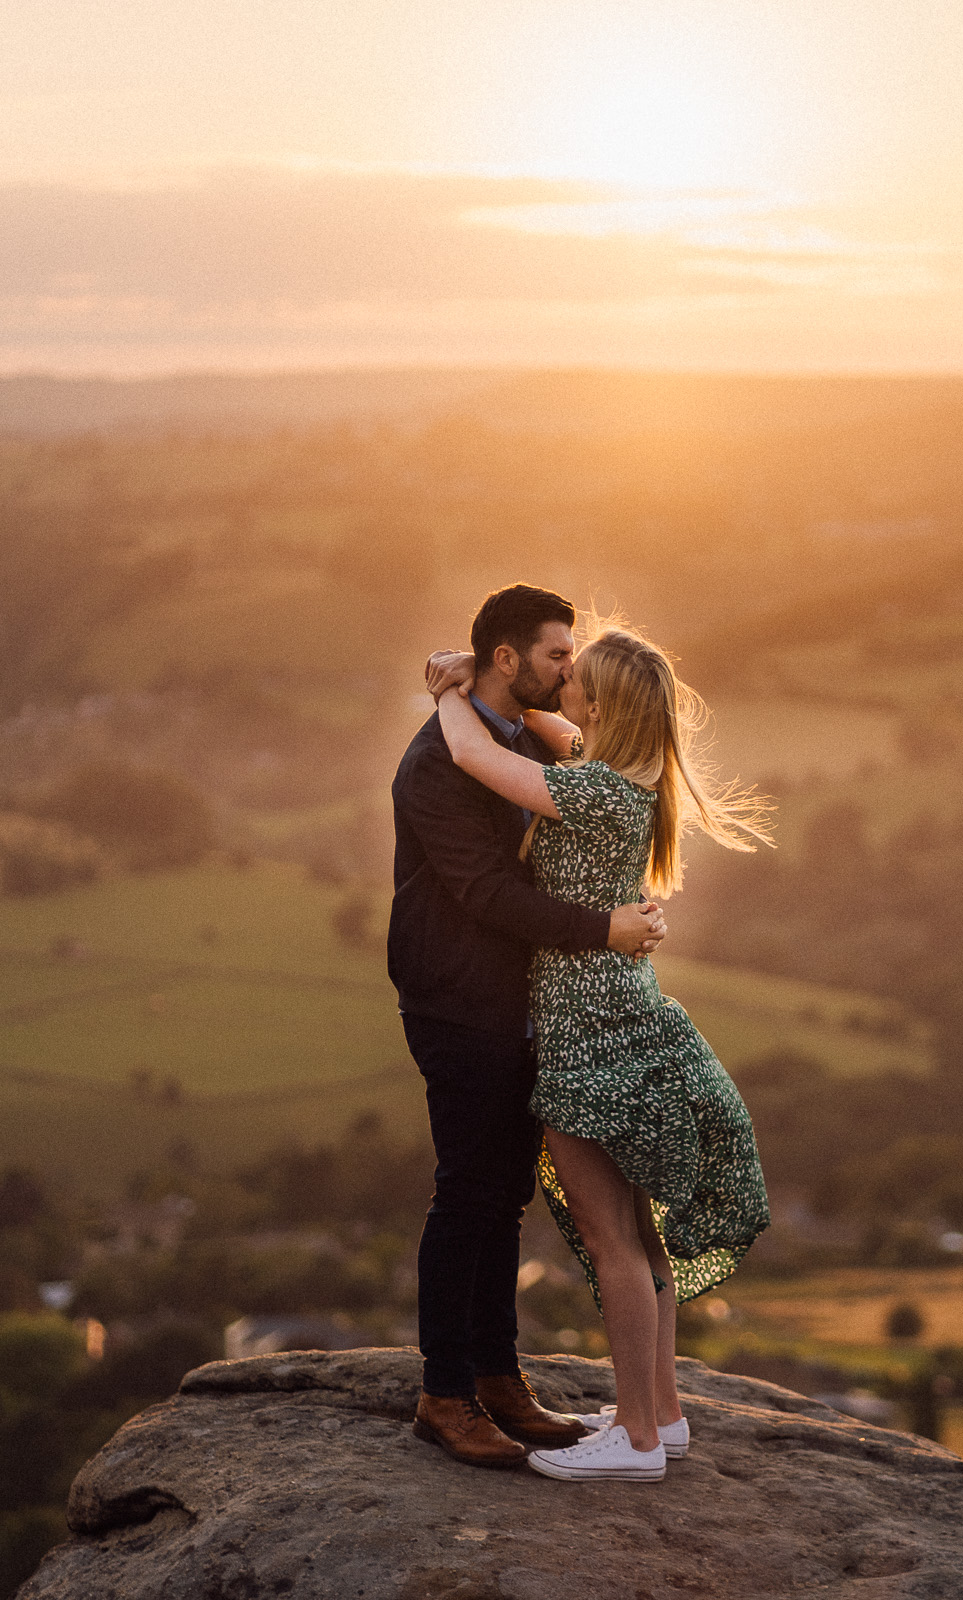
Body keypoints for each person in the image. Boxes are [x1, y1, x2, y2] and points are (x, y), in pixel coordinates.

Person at [423, 620, 772, 1483]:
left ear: (604, 706)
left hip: (584, 1035)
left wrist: (447, 693)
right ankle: (661, 1415)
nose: (565, 684)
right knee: (641, 1237)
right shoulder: (629, 783)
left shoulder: (590, 794)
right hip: (630, 1016)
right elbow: (561, 732)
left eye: (579, 678)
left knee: (608, 1236)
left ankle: (637, 1447)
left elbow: (471, 756)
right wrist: (479, 674)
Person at [389, 584, 671, 1470]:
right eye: (556, 654)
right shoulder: (439, 764)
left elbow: (577, 756)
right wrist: (605, 930)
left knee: (503, 1195)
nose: (569, 668)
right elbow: (486, 893)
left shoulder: (519, 736)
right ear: (509, 659)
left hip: (514, 1004)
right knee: (466, 1191)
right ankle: (445, 1392)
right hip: (456, 999)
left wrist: (459, 673)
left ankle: (498, 1376)